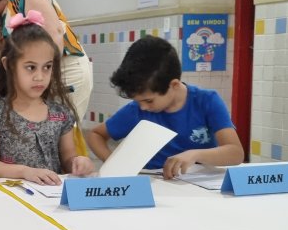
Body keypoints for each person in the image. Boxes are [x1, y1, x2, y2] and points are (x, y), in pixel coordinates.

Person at [87, 36, 244, 179]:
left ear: (174, 85)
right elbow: (95, 135)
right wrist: (114, 164)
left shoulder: (207, 101)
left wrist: (195, 155)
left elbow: (235, 153)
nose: (143, 107)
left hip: (200, 184)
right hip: (156, 185)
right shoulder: (136, 110)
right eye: (138, 101)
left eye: (149, 100)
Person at [0, 11, 95, 185]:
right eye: (31, 67)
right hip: (9, 196)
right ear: (8, 65)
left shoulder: (60, 114)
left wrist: (78, 163)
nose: (40, 77)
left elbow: (68, 159)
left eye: (47, 67)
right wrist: (25, 172)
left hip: (50, 197)